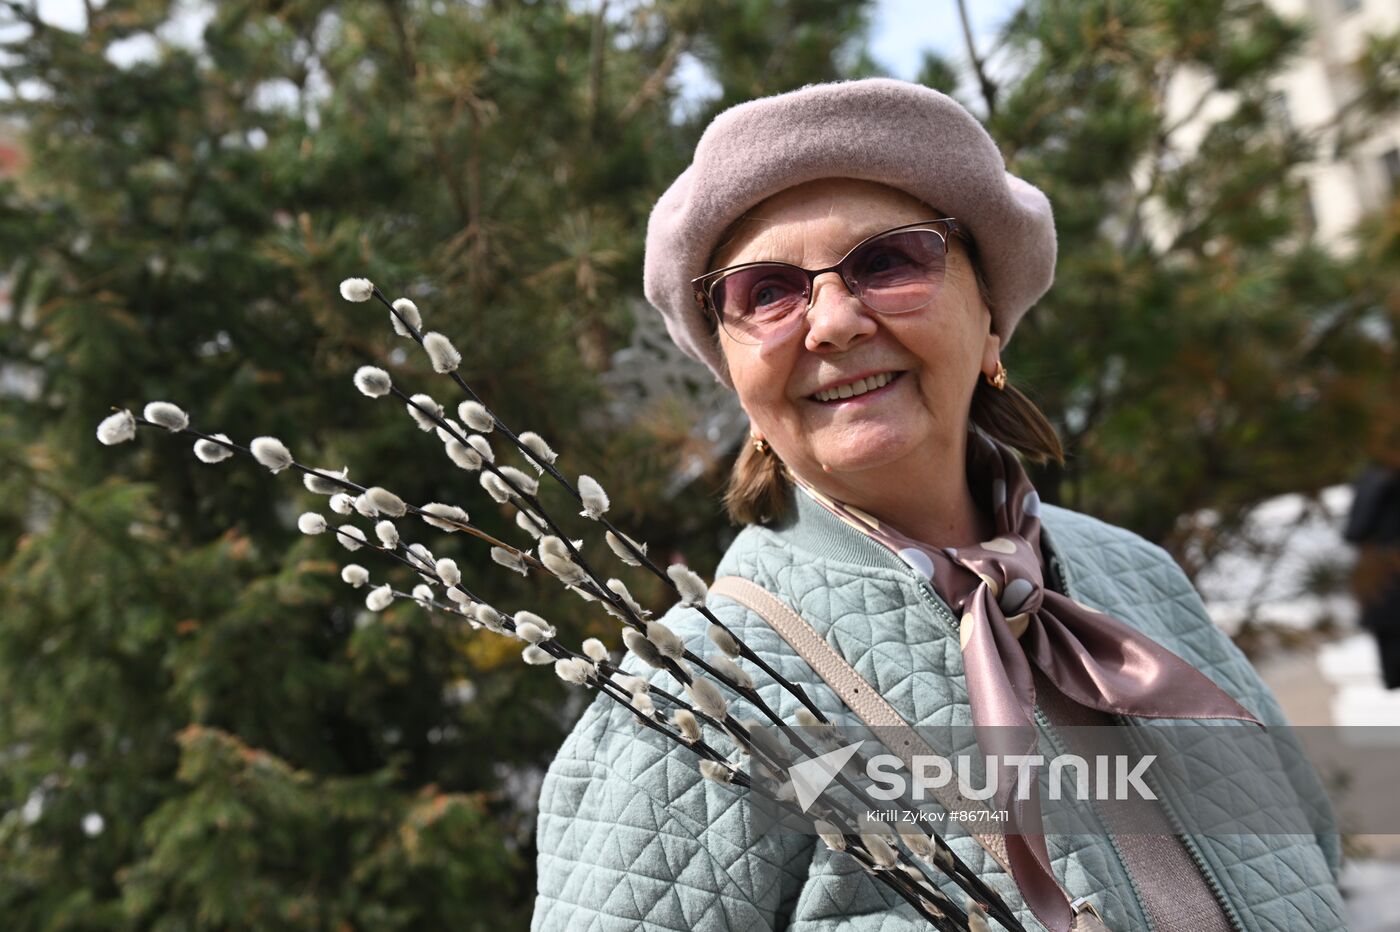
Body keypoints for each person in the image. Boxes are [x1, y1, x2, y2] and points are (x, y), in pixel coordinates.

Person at [531, 79, 1345, 932]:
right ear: (733, 371)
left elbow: (1311, 851)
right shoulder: (698, 698)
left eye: (887, 262)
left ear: (990, 317)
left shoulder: (1138, 576)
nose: (834, 322)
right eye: (766, 291)